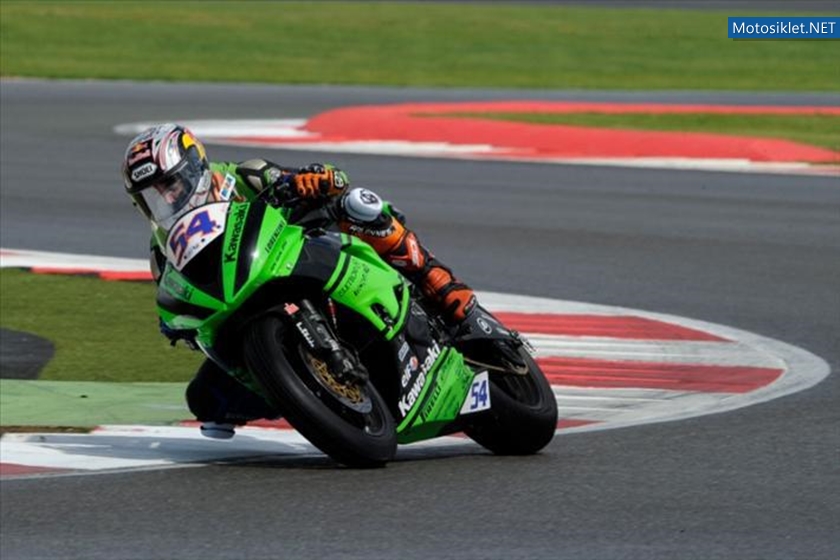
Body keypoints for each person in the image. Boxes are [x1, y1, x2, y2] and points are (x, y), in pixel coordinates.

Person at [122, 123, 479, 438]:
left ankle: (439, 280)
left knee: (358, 205)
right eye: (151, 195)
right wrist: (174, 323)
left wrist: (312, 180)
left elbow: (327, 180)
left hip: (304, 254)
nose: (165, 199)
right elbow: (176, 299)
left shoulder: (244, 175)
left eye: (169, 184)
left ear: (196, 167)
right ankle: (307, 391)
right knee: (204, 399)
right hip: (242, 307)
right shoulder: (162, 251)